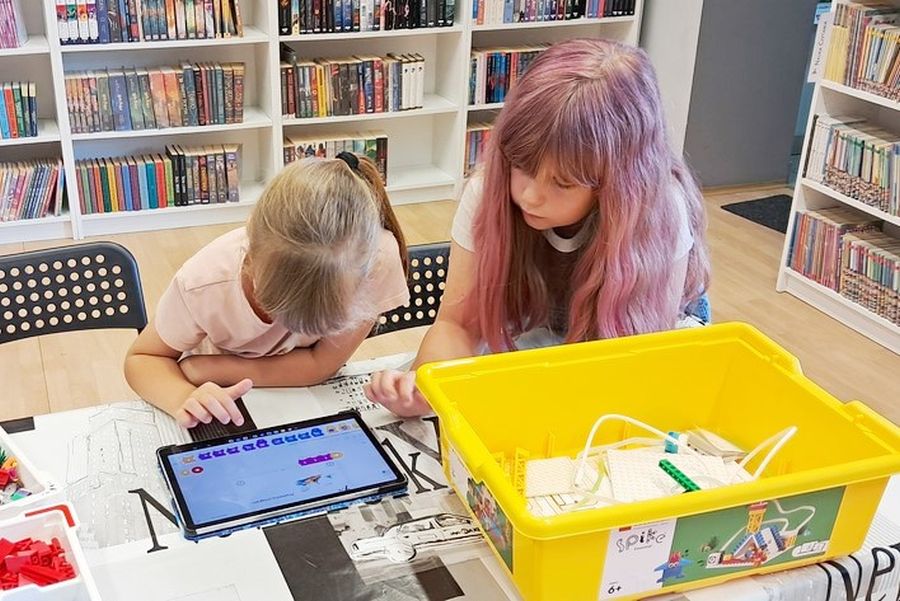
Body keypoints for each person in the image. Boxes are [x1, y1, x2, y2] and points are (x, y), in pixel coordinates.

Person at [365, 38, 710, 416]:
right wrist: (427, 387)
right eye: (522, 166)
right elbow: (457, 324)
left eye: (562, 183)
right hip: (539, 344)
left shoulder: (661, 211)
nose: (530, 197)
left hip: (624, 356)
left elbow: (638, 360)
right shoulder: (487, 191)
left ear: (617, 184)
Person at [125, 153, 409, 428]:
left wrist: (204, 369)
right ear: (250, 256)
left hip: (254, 385)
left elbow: (322, 364)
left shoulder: (376, 259)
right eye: (276, 308)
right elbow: (143, 359)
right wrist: (182, 396)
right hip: (218, 395)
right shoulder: (203, 283)